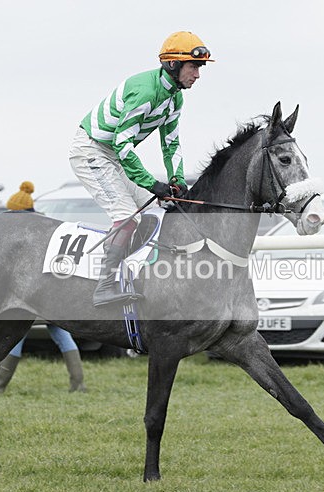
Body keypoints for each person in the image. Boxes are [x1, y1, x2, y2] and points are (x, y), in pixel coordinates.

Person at [69, 31, 214, 307]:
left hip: (112, 155)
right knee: (126, 216)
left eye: (199, 68)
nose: (197, 75)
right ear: (173, 64)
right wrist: (152, 183)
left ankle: (130, 273)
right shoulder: (146, 92)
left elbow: (171, 143)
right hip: (91, 150)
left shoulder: (175, 98)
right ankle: (103, 286)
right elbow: (122, 144)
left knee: (152, 213)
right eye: (194, 67)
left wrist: (177, 180)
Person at [0, 181, 87, 393]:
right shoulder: (46, 226)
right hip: (53, 292)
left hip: (35, 292)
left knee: (17, 333)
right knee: (60, 333)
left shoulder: (28, 231)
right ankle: (78, 383)